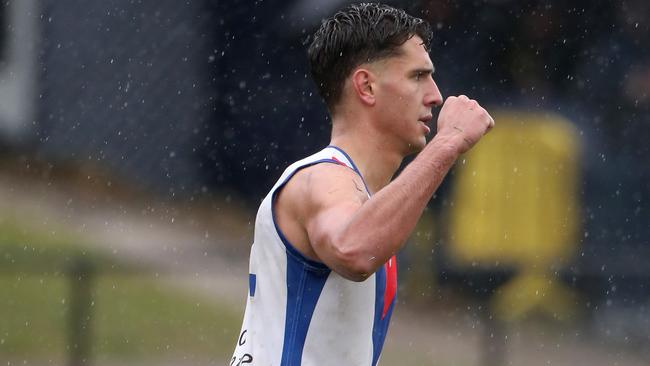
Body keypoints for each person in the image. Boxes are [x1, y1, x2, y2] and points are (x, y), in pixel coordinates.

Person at [230, 3, 494, 365]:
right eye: (418, 76)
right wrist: (448, 143)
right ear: (366, 86)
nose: (435, 95)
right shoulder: (323, 178)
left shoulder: (363, 198)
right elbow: (354, 250)